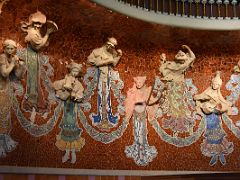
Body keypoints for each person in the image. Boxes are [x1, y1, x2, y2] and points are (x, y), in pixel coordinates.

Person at [19, 11, 58, 121]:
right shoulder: (32, 32)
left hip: (34, 57)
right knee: (32, 78)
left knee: (35, 78)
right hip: (31, 57)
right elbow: (38, 45)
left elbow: (42, 44)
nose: (37, 25)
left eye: (40, 24)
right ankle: (32, 100)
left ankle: (34, 100)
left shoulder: (35, 31)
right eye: (35, 23)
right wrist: (48, 33)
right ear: (31, 23)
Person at [194, 71, 233, 166]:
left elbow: (222, 100)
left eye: (217, 85)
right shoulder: (208, 91)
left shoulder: (217, 92)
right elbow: (197, 97)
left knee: (219, 134)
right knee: (211, 136)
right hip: (209, 116)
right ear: (212, 83)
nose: (215, 86)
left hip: (216, 115)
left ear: (219, 86)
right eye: (214, 84)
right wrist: (203, 100)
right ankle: (215, 155)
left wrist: (228, 104)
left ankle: (221, 153)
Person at [159, 45, 196, 137]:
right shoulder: (170, 64)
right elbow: (162, 70)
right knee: (173, 109)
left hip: (178, 89)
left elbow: (192, 57)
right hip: (171, 89)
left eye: (182, 54)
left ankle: (185, 126)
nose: (180, 52)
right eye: (178, 53)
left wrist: (187, 48)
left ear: (185, 59)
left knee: (180, 109)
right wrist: (163, 61)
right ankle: (177, 128)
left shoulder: (183, 65)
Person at [87, 37, 122, 130]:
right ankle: (101, 118)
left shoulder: (112, 52)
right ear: (107, 43)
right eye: (110, 45)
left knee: (106, 96)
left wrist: (119, 56)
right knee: (100, 95)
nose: (111, 47)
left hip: (107, 77)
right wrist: (106, 61)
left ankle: (106, 118)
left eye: (113, 46)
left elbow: (114, 63)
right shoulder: (97, 51)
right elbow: (90, 60)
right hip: (98, 76)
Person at [54, 62, 85, 164]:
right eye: (73, 71)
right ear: (71, 71)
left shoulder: (79, 84)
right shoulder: (65, 80)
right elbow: (56, 85)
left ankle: (73, 152)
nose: (75, 73)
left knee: (73, 128)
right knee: (66, 128)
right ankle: (67, 153)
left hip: (73, 109)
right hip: (66, 108)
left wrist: (75, 96)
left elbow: (80, 95)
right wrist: (64, 88)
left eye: (77, 71)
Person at [124, 76, 158, 166]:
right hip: (136, 116)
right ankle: (138, 151)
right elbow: (129, 104)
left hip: (143, 116)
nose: (138, 84)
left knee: (142, 134)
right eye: (137, 82)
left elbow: (152, 101)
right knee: (137, 133)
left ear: (143, 82)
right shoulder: (132, 92)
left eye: (140, 83)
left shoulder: (147, 91)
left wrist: (159, 97)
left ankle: (142, 152)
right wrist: (128, 116)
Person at [0, 39, 25, 157]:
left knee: (5, 115)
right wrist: (13, 64)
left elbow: (18, 76)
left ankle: (4, 139)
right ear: (4, 48)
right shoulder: (2, 57)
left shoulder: (12, 58)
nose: (10, 51)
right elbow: (4, 73)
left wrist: (21, 66)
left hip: (6, 90)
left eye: (12, 49)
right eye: (8, 48)